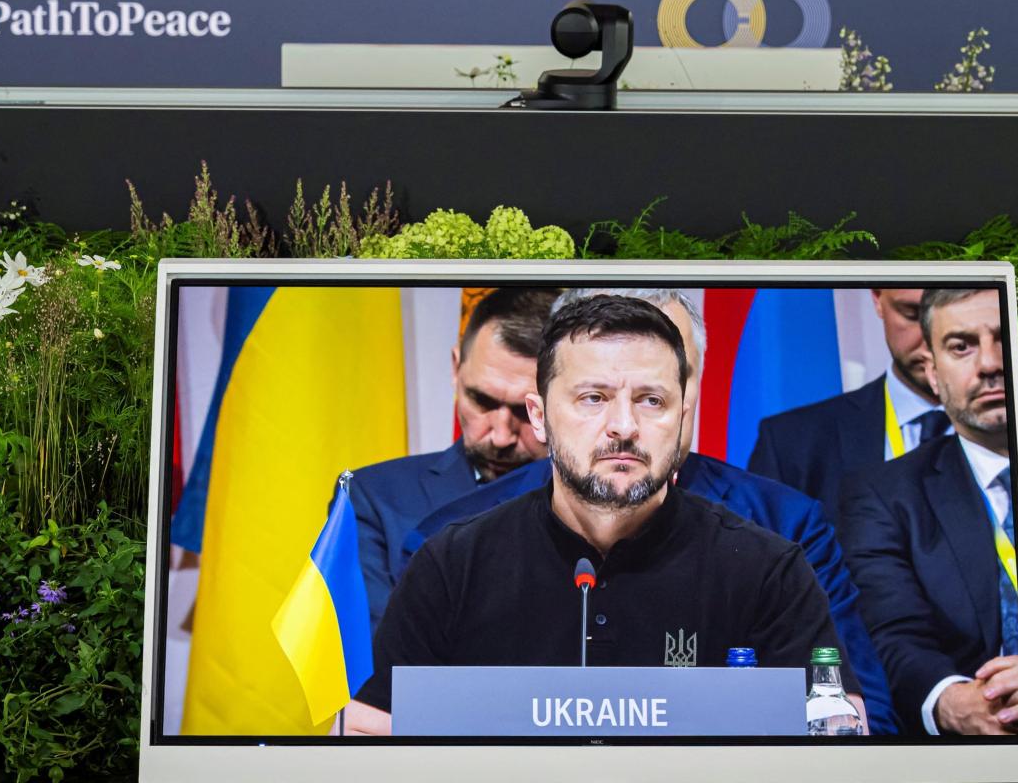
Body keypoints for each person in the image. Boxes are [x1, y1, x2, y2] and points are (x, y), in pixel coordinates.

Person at [347, 295, 855, 733]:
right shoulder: (452, 563)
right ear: (540, 417)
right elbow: (377, 732)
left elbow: (839, 725)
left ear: (683, 418)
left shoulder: (767, 570)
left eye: (651, 400)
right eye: (594, 398)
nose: (624, 426)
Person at [840, 287, 1018, 737]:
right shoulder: (884, 495)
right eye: (961, 346)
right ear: (934, 374)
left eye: (1004, 340)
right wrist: (952, 701)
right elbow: (893, 634)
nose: (990, 364)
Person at [339, 288, 559, 631]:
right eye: (482, 401)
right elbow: (382, 656)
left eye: (526, 411)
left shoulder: (610, 501)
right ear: (456, 369)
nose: (501, 435)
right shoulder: (373, 498)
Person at [749, 288, 947, 533]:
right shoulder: (791, 444)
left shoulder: (1008, 429)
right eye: (912, 313)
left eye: (947, 316)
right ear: (877, 298)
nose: (932, 340)